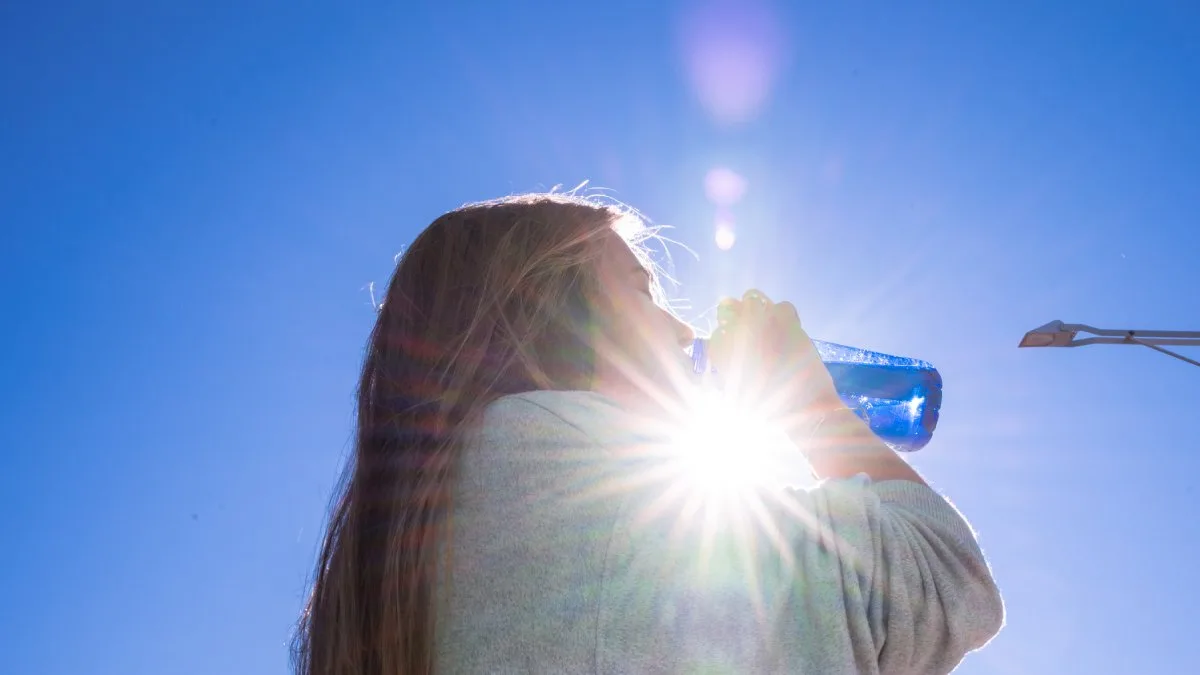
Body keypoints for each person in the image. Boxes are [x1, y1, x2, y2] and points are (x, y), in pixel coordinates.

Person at [291, 193, 1004, 675]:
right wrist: (810, 407)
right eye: (641, 289)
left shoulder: (435, 524)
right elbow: (942, 582)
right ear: (550, 309)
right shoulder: (556, 459)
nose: (682, 328)